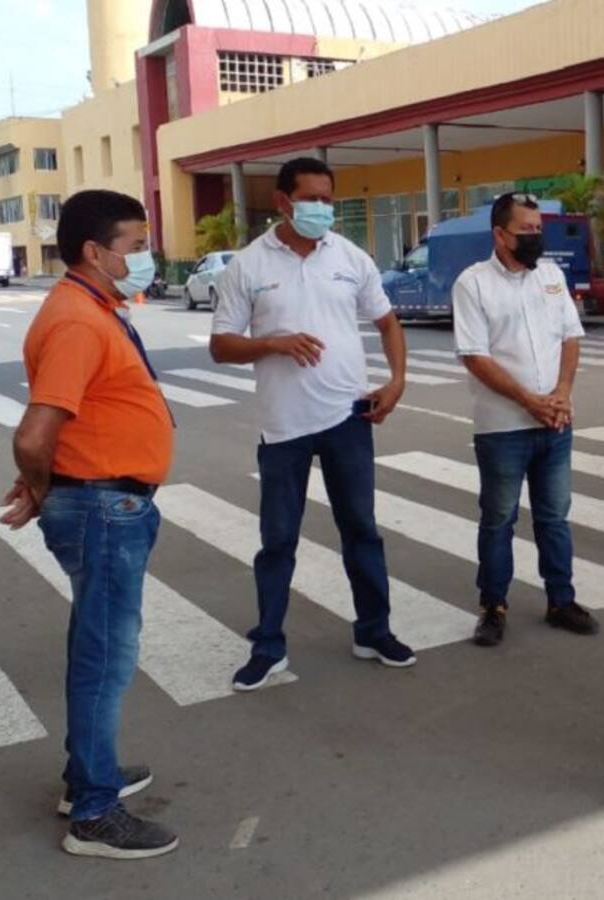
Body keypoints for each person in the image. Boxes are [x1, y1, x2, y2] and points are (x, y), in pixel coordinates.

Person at [0, 189, 178, 859]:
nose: (145, 256)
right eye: (134, 245)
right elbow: (35, 431)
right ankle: (95, 815)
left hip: (106, 500)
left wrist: (50, 480)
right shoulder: (78, 319)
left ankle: (86, 779)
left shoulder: (95, 308)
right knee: (107, 658)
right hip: (103, 506)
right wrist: (45, 484)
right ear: (94, 252)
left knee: (95, 642)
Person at [210, 156, 416, 691]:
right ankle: (268, 646)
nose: (323, 209)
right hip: (284, 427)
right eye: (312, 199)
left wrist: (396, 381)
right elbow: (220, 344)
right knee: (277, 541)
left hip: (350, 415)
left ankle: (373, 631)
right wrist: (272, 342)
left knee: (362, 531)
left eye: (328, 199)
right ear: (282, 201)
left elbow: (388, 322)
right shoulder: (249, 266)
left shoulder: (350, 257)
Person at [451, 192, 599, 647]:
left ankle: (560, 600)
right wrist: (528, 401)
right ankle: (493, 606)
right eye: (526, 231)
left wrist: (561, 394)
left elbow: (571, 337)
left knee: (555, 517)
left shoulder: (551, 275)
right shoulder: (473, 284)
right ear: (499, 234)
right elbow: (475, 356)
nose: (536, 238)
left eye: (539, 230)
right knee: (498, 519)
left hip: (554, 423)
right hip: (503, 430)